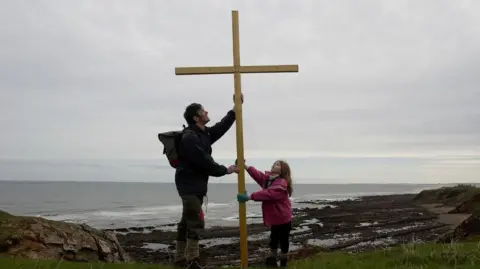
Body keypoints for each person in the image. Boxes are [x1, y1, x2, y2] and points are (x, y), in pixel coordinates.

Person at [174, 95, 243, 269]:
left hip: (196, 185)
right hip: (188, 184)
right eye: (203, 111)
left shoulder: (204, 134)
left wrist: (235, 108)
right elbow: (203, 160)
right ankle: (193, 261)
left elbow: (221, 127)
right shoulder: (189, 137)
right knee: (195, 221)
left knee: (186, 221)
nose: (206, 112)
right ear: (196, 118)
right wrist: (224, 170)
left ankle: (179, 260)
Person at [236, 160, 293, 268]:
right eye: (274, 163)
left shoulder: (281, 183)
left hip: (284, 217)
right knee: (274, 237)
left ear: (282, 171)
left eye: (277, 164)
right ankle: (272, 257)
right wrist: (246, 167)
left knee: (284, 239)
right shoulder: (269, 179)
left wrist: (250, 197)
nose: (274, 164)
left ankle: (284, 259)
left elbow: (269, 193)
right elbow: (258, 176)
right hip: (275, 217)